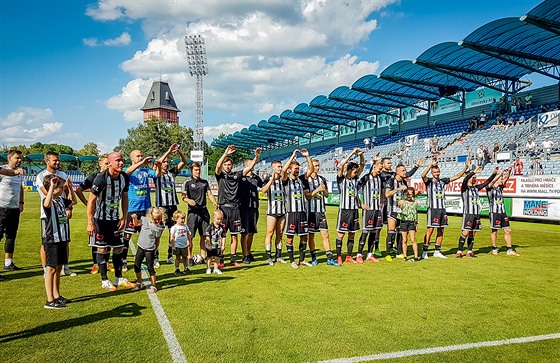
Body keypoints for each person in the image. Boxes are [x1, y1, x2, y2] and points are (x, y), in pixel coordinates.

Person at [87, 152, 134, 291]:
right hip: (101, 220)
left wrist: (124, 216)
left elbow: (125, 198)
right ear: (110, 162)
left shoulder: (124, 177)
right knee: (102, 248)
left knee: (119, 248)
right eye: (118, 161)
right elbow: (91, 202)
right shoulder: (100, 179)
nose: (121, 163)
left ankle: (118, 278)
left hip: (115, 220)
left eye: (122, 161)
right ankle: (104, 280)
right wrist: (90, 222)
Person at [215, 145, 260, 266]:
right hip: (223, 208)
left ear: (232, 166)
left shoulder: (237, 175)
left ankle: (233, 259)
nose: (227, 166)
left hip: (235, 209)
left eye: (229, 164)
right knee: (221, 236)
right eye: (226, 165)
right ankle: (221, 258)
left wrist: (256, 156)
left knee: (234, 236)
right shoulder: (220, 176)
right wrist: (225, 154)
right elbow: (218, 166)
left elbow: (250, 167)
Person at [35, 151, 76, 277]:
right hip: (47, 214)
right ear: (47, 161)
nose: (58, 162)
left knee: (65, 241)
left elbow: (68, 194)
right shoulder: (41, 176)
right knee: (46, 243)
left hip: (61, 211)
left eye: (58, 160)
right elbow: (48, 194)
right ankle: (46, 268)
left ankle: (65, 267)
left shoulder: (62, 174)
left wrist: (68, 207)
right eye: (55, 160)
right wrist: (56, 188)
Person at [422, 157, 470, 259]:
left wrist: (466, 167)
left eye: (438, 172)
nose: (437, 174)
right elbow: (423, 175)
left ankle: (437, 251)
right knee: (430, 230)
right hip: (433, 209)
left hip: (442, 209)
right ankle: (425, 251)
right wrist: (430, 165)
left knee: (441, 230)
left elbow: (456, 176)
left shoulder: (443, 181)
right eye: (435, 172)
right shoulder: (429, 182)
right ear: (432, 173)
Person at [41, 174, 77, 309]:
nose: (61, 189)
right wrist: (51, 186)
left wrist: (70, 188)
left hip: (62, 238)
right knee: (51, 269)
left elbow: (73, 201)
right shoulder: (48, 200)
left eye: (62, 187)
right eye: (59, 187)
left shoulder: (61, 201)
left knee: (58, 268)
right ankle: (50, 299)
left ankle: (57, 295)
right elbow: (46, 203)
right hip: (52, 239)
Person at [301, 151, 339, 266]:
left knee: (325, 234)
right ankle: (313, 257)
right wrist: (317, 190)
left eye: (318, 166)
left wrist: (323, 190)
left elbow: (327, 195)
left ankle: (329, 258)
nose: (317, 168)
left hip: (321, 211)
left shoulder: (322, 179)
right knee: (311, 236)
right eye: (315, 166)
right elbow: (307, 196)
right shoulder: (305, 179)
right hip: (310, 213)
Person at [122, 150, 157, 271]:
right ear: (132, 158)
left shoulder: (146, 171)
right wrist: (141, 162)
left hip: (146, 208)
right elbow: (126, 172)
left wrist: (158, 164)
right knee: (127, 235)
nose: (140, 157)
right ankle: (124, 261)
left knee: (147, 235)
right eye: (138, 156)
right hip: (133, 209)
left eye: (141, 155)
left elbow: (157, 174)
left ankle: (146, 261)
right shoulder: (128, 170)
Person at [75, 154, 111, 275]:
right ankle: (95, 264)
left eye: (109, 163)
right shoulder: (94, 177)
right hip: (97, 214)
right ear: (100, 164)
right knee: (96, 239)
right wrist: (87, 203)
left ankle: (106, 262)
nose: (108, 166)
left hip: (110, 214)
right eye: (106, 163)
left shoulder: (113, 177)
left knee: (109, 239)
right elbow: (78, 189)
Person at [153, 143, 187, 266]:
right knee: (158, 233)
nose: (166, 164)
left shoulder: (172, 173)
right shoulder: (156, 174)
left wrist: (178, 152)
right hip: (161, 207)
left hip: (173, 206)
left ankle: (169, 256)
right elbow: (158, 162)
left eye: (168, 162)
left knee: (173, 231)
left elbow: (184, 162)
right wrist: (168, 151)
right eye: (164, 162)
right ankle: (155, 257)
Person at [456, 166, 498, 258]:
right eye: (473, 177)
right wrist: (473, 172)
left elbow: (486, 183)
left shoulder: (476, 188)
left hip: (476, 214)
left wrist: (494, 174)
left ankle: (469, 251)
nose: (475, 179)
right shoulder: (465, 188)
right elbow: (465, 179)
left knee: (473, 233)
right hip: (468, 214)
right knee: (465, 232)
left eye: (475, 177)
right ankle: (459, 251)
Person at [281, 149, 312, 269]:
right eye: (295, 169)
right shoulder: (286, 180)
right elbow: (283, 170)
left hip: (302, 213)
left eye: (298, 169)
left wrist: (307, 156)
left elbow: (311, 170)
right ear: (290, 170)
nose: (297, 171)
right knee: (290, 237)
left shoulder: (301, 180)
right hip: (291, 213)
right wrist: (293, 155)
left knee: (304, 236)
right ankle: (292, 260)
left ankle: (302, 259)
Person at [182, 162, 218, 264]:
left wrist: (214, 202)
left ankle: (203, 257)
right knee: (190, 237)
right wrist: (188, 200)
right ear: (191, 171)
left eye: (199, 170)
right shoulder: (187, 182)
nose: (198, 172)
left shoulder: (204, 182)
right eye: (196, 170)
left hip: (204, 212)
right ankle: (189, 257)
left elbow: (210, 194)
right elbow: (183, 197)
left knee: (204, 236)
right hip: (192, 213)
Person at [335, 148, 365, 264]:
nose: (356, 173)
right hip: (345, 210)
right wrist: (353, 153)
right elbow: (342, 164)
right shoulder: (341, 180)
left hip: (354, 210)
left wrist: (361, 155)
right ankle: (338, 256)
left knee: (352, 234)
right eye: (354, 171)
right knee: (341, 234)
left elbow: (362, 165)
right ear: (349, 170)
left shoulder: (355, 180)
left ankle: (348, 256)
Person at [0, 150, 25, 277]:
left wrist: (21, 202)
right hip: (1, 208)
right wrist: (14, 172)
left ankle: (8, 263)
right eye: (17, 158)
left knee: (11, 236)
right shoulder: (2, 170)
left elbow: (20, 187)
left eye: (20, 158)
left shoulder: (19, 172)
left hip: (14, 209)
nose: (19, 160)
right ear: (9, 158)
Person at [130, 207, 166, 294]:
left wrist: (155, 248)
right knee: (136, 265)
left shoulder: (159, 227)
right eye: (155, 219)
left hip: (150, 249)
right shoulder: (145, 220)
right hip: (141, 247)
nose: (157, 221)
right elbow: (137, 224)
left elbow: (158, 238)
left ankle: (153, 285)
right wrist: (134, 218)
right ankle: (139, 282)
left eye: (159, 219)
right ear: (150, 216)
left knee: (150, 267)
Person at [486, 168, 520, 257]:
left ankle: (509, 249)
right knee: (494, 231)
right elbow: (492, 182)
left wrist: (509, 172)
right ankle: (494, 248)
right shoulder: (489, 188)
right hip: (494, 212)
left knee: (508, 230)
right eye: (501, 178)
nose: (502, 179)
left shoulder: (500, 188)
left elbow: (507, 179)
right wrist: (500, 174)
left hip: (502, 212)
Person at [356, 155, 384, 263]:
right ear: (374, 167)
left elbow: (381, 191)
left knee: (374, 232)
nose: (380, 171)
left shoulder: (379, 179)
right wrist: (361, 203)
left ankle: (369, 254)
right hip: (368, 210)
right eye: (379, 169)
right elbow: (355, 190)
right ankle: (359, 254)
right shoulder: (366, 178)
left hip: (377, 210)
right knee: (365, 232)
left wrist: (381, 201)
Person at [261, 160, 287, 265]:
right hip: (272, 211)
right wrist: (271, 179)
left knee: (280, 234)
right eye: (278, 167)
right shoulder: (267, 179)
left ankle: (279, 255)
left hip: (282, 211)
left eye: (281, 167)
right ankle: (268, 256)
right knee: (270, 233)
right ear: (273, 168)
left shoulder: (283, 180)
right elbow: (263, 191)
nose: (280, 169)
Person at [240, 158, 263, 264]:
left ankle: (248, 252)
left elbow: (263, 187)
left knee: (252, 231)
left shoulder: (256, 178)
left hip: (254, 208)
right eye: (250, 164)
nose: (253, 165)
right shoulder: (241, 177)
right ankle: (244, 254)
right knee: (244, 232)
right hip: (243, 208)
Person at [398, 187, 419, 262]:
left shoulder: (415, 203)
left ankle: (416, 256)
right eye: (408, 194)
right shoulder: (402, 202)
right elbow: (398, 208)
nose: (409, 196)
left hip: (411, 222)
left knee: (413, 239)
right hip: (403, 221)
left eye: (411, 194)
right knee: (404, 240)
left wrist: (416, 223)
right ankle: (405, 256)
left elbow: (416, 214)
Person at [169, 210, 192, 276]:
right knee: (178, 258)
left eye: (184, 218)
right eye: (181, 218)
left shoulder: (185, 226)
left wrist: (189, 242)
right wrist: (173, 245)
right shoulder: (174, 227)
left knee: (185, 257)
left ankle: (186, 268)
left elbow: (188, 235)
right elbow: (172, 237)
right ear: (176, 219)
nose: (183, 220)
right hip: (177, 245)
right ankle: (177, 269)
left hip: (184, 245)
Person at [204, 209, 226, 275]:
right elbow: (207, 236)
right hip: (211, 245)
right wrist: (209, 245)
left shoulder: (222, 228)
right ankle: (208, 268)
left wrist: (223, 245)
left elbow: (223, 237)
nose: (219, 221)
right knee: (210, 257)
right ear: (214, 218)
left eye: (221, 219)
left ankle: (216, 268)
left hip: (218, 245)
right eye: (218, 219)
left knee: (217, 257)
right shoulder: (210, 227)